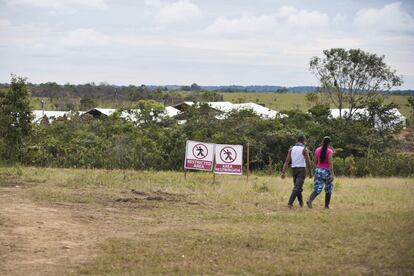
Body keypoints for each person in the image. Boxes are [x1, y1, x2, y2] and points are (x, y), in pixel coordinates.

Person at [281, 135, 312, 208]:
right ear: (303, 141)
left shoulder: (291, 149)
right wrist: (310, 173)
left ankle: (301, 203)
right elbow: (308, 162)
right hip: (301, 170)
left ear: (297, 141)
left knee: (297, 187)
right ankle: (290, 203)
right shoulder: (304, 149)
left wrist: (283, 172)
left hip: (294, 169)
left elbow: (286, 161)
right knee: (297, 187)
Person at [307, 136, 335, 209]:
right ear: (329, 143)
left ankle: (310, 200)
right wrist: (332, 174)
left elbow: (315, 161)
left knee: (317, 188)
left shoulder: (317, 150)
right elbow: (330, 163)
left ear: (322, 141)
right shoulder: (330, 151)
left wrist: (318, 167)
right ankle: (326, 206)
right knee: (328, 188)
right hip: (326, 171)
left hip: (318, 170)